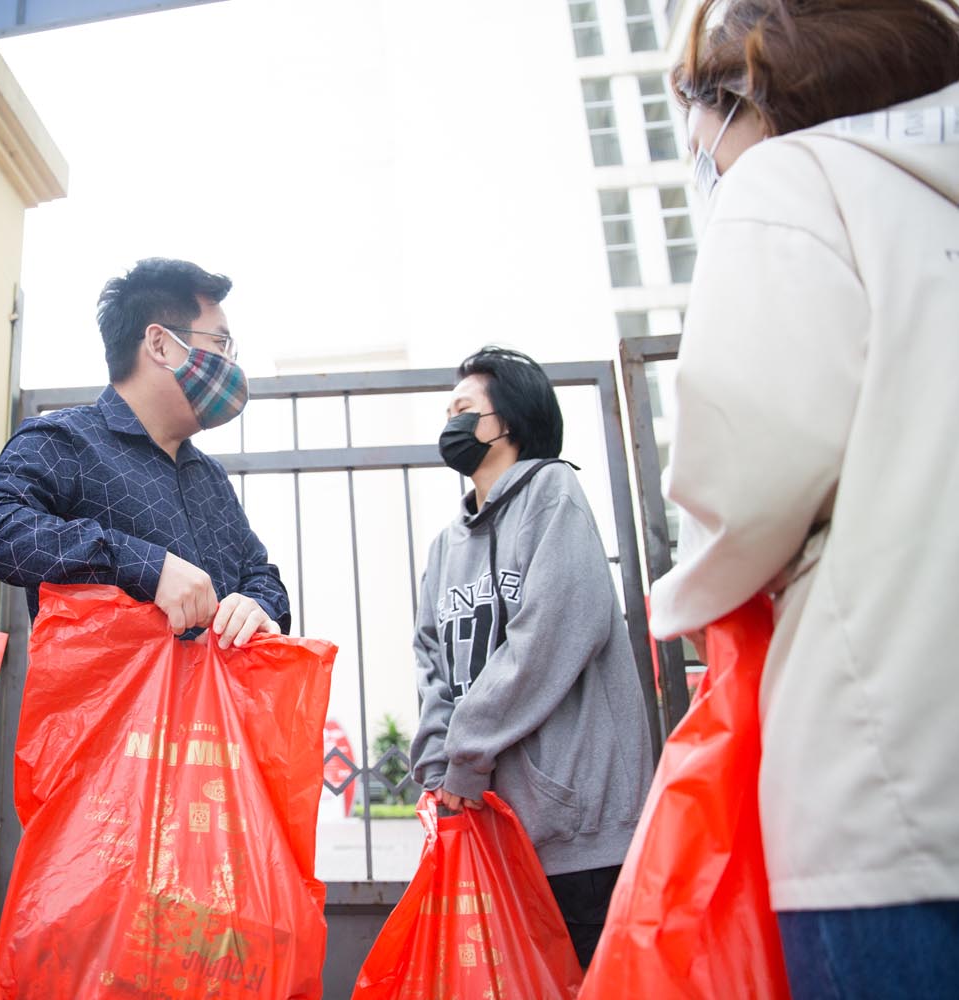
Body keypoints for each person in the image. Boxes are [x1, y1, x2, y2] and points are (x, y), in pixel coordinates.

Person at [648, 0, 959, 992]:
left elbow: (746, 466)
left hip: (893, 783)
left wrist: (681, 598)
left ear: (765, 79)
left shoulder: (793, 181)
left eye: (703, 96)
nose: (697, 135)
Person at [409, 346, 653, 968]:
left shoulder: (553, 494)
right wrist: (441, 773)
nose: (451, 423)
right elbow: (432, 667)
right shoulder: (443, 549)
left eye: (465, 409)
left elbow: (549, 637)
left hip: (577, 838)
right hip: (487, 829)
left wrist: (468, 750)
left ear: (508, 423)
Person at [0, 257, 289, 645]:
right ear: (161, 344)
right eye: (220, 343)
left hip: (215, 704)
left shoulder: (209, 476)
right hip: (104, 704)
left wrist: (257, 605)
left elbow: (259, 572)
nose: (229, 361)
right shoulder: (66, 441)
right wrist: (147, 566)